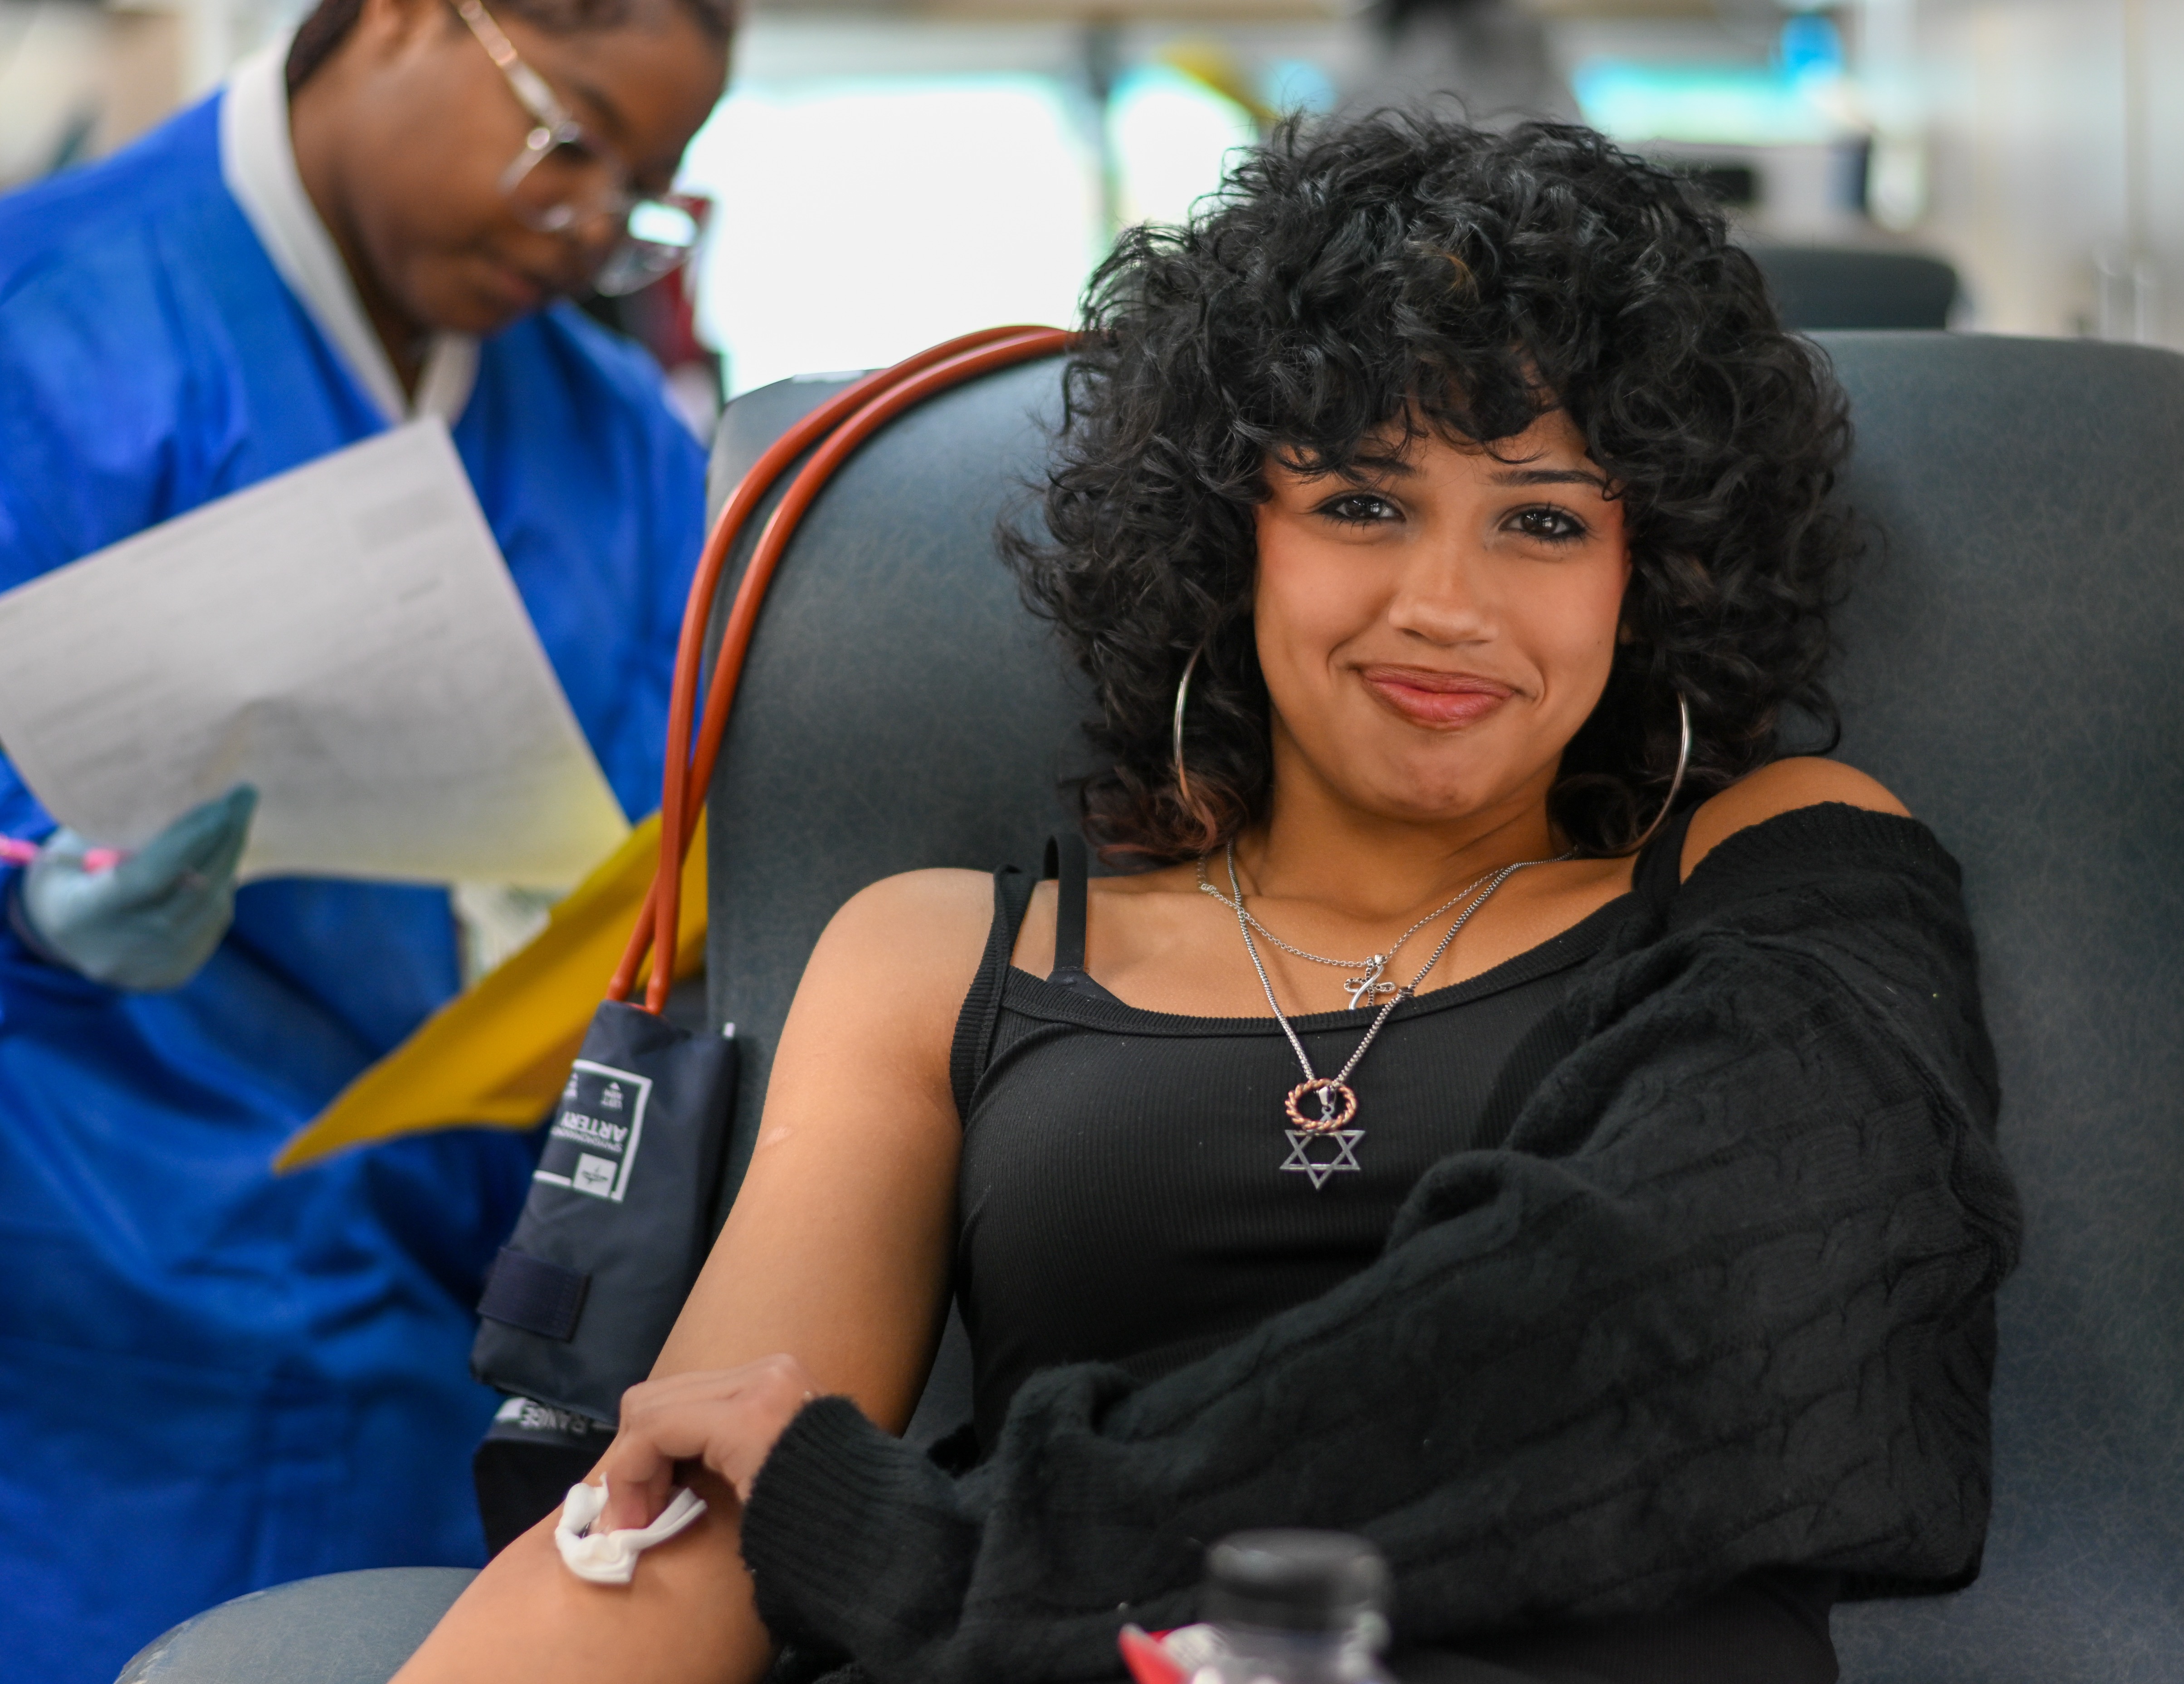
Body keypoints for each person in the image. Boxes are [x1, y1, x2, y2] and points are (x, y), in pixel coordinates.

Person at [397, 115, 2022, 1684]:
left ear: (1652, 573)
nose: (1446, 605)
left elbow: (1698, 1328)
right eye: (1362, 503)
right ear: (1229, 540)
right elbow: (674, 1530)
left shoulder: (1780, 865)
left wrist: (932, 1550)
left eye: (1543, 519)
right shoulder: (938, 955)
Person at [0, 0, 727, 1671]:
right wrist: (31, 904)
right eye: (573, 137)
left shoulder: (609, 436)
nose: (593, 220)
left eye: (647, 189)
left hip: (430, 1280)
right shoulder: (47, 322)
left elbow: (638, 847)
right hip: (74, 1293)